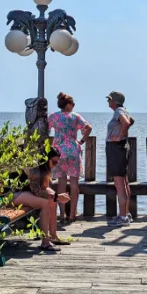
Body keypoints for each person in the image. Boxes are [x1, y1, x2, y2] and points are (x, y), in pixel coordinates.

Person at [14, 148, 71, 251]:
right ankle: (45, 242)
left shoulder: (45, 169)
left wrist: (56, 196)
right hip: (14, 195)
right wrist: (57, 196)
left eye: (57, 163)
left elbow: (44, 188)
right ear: (46, 159)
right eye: (53, 162)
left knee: (53, 201)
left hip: (26, 193)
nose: (55, 165)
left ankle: (53, 236)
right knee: (45, 203)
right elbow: (37, 191)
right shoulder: (34, 168)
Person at [48, 92, 92, 224]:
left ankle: (62, 214)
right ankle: (72, 214)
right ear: (68, 105)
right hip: (73, 150)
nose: (74, 106)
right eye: (72, 104)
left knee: (61, 183)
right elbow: (88, 127)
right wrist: (82, 141)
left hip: (59, 152)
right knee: (74, 183)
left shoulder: (53, 116)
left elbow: (45, 129)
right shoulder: (75, 117)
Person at [105, 91, 134, 226]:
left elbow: (127, 123)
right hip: (122, 148)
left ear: (114, 101)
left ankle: (122, 217)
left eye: (109, 100)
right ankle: (126, 214)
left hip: (116, 148)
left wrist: (118, 137)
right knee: (124, 182)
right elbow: (131, 121)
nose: (108, 102)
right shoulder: (123, 110)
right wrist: (122, 135)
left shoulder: (118, 111)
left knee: (119, 185)